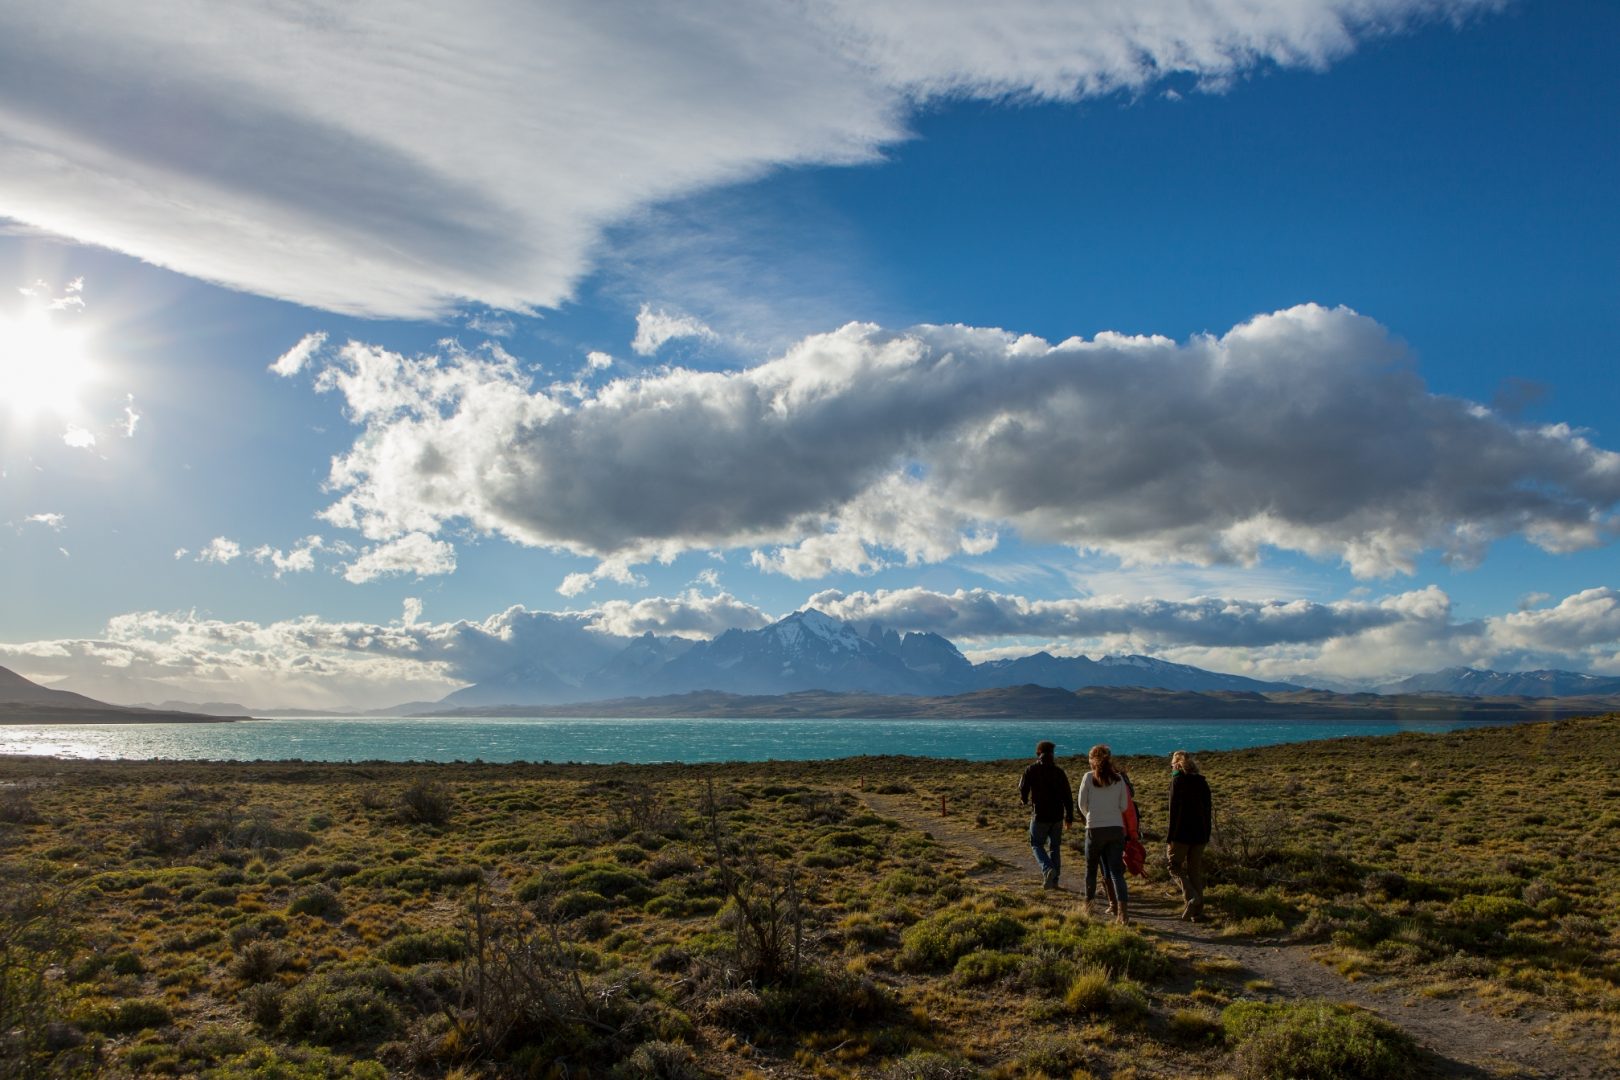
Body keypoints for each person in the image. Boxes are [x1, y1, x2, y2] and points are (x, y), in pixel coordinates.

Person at [1079, 743, 1131, 924]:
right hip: (1116, 829)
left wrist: (1090, 817)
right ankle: (1123, 914)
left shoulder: (1088, 777)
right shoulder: (1118, 779)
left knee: (1091, 869)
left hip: (1094, 829)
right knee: (1117, 872)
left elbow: (1081, 804)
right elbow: (1124, 806)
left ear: (1092, 760)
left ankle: (1088, 906)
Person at [1018, 740, 1075, 889]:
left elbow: (1023, 787)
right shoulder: (1059, 772)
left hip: (1040, 815)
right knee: (1055, 847)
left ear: (1038, 754)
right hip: (1057, 816)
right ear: (1052, 754)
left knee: (1036, 844)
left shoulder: (1031, 770)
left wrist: (1024, 800)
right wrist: (1069, 816)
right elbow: (1067, 796)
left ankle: (1048, 869)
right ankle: (1054, 881)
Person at [1165, 749, 1213, 921]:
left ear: (1176, 764)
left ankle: (1192, 897)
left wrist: (1170, 837)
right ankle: (1197, 911)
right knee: (1194, 871)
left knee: (1174, 866)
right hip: (1200, 834)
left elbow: (1174, 813)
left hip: (1181, 834)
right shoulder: (1202, 782)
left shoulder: (1176, 782)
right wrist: (1207, 832)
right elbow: (1208, 810)